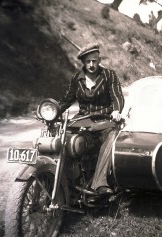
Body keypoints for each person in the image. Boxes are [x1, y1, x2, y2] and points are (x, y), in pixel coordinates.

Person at [59, 43, 124, 194]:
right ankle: (61, 177)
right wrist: (53, 111)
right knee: (62, 137)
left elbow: (117, 97)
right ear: (83, 62)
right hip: (82, 119)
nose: (92, 64)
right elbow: (67, 99)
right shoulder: (77, 78)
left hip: (104, 120)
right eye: (88, 61)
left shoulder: (109, 75)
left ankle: (99, 183)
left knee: (112, 135)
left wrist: (116, 111)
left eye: (94, 61)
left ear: (99, 59)